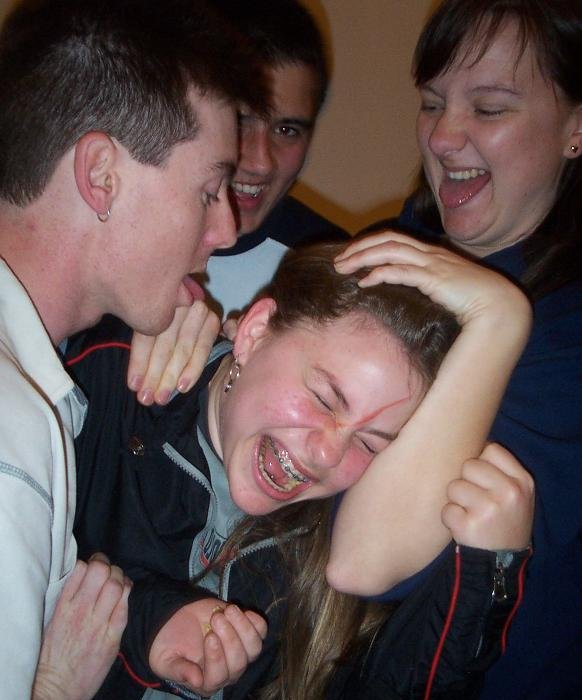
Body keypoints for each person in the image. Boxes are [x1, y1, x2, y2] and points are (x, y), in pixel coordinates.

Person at [66, 233, 533, 699]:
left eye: (369, 443)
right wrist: (146, 620)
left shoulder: (341, 530)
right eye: (325, 399)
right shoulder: (106, 386)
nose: (327, 454)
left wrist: (488, 572)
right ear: (254, 333)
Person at [0, 0, 269, 696]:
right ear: (102, 177)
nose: (227, 229)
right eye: (208, 190)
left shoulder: (50, 382)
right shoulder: (12, 436)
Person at [330, 2, 582, 698]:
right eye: (433, 103)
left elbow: (370, 561)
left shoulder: (567, 335)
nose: (442, 137)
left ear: (576, 128)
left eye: (490, 108)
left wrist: (499, 320)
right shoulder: (395, 249)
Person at [128, 0, 347, 407]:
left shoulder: (337, 269)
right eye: (241, 119)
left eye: (287, 130)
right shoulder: (113, 238)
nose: (261, 161)